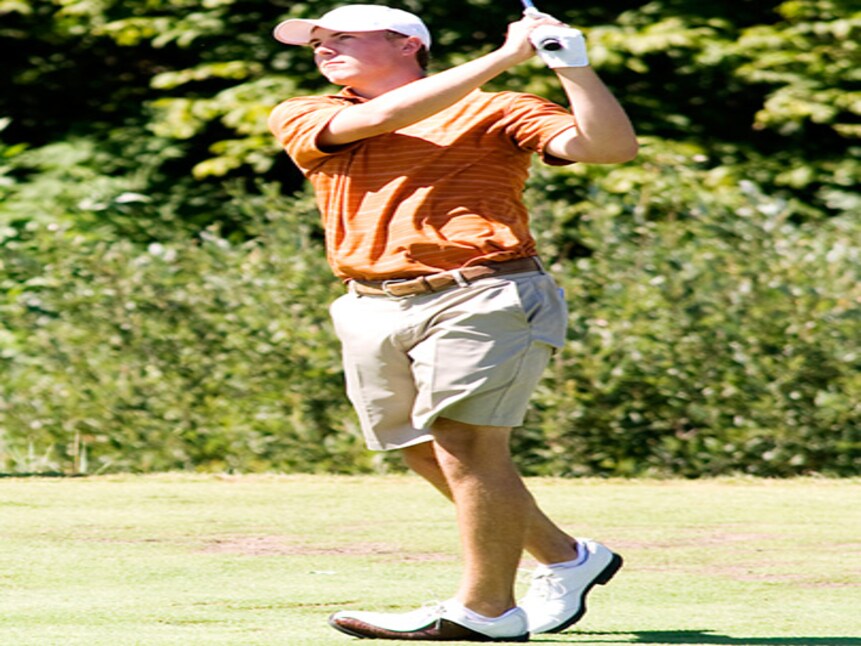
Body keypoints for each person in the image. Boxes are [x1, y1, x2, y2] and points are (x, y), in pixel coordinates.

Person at [268, 4, 637, 641]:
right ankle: (568, 559)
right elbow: (383, 117)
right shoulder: (308, 111)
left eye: (341, 38)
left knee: (466, 443)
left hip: (484, 291)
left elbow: (610, 148)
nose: (323, 50)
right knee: (414, 444)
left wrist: (571, 68)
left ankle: (486, 611)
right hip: (371, 301)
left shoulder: (499, 108)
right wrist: (503, 54)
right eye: (317, 42)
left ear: (407, 43)